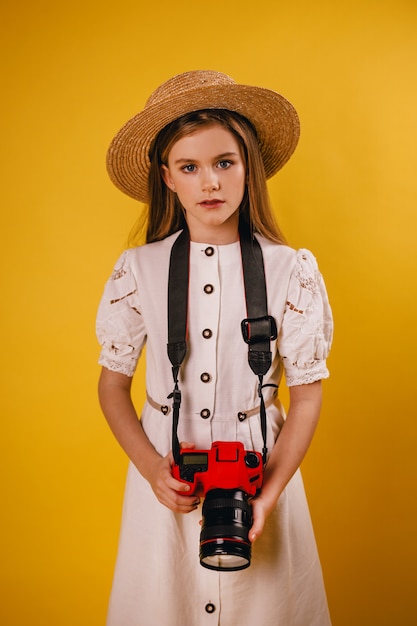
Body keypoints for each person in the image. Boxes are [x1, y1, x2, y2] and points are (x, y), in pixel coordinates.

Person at [96, 70, 333, 626]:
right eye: (190, 167)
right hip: (166, 482)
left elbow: (308, 396)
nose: (210, 182)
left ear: (249, 169)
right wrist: (153, 468)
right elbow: (112, 385)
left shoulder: (289, 269)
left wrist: (269, 494)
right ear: (167, 178)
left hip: (262, 475)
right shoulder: (139, 269)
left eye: (225, 163)